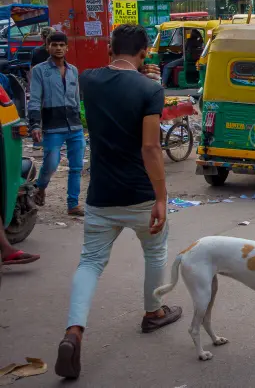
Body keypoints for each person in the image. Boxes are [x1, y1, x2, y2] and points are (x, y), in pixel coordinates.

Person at [55, 24, 181, 379]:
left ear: (111, 49)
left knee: (91, 262)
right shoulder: (149, 88)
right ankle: (153, 312)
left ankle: (74, 331)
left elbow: (114, 79)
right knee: (155, 253)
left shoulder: (89, 80)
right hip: (140, 194)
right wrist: (161, 197)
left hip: (101, 194)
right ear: (144, 53)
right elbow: (151, 147)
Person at [28, 32, 85, 216]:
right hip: (53, 127)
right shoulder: (39, 71)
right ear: (47, 47)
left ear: (67, 48)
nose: (58, 48)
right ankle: (41, 187)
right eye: (54, 45)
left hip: (74, 126)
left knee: (76, 167)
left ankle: (72, 204)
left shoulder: (73, 70)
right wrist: (35, 125)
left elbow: (77, 98)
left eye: (62, 45)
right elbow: (35, 100)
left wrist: (84, 121)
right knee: (51, 163)